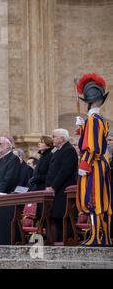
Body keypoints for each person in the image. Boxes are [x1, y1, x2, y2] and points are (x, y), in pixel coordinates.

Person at [75, 73, 111, 246]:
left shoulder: (93, 120)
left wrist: (84, 163)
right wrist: (82, 127)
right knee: (100, 199)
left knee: (93, 199)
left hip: (93, 164)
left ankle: (97, 237)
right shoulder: (97, 120)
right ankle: (101, 236)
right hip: (98, 163)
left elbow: (92, 146)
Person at [46, 128, 78, 243]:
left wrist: (53, 186)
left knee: (64, 216)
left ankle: (68, 240)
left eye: (54, 136)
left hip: (63, 190)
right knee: (56, 216)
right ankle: (59, 240)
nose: (52, 138)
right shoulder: (58, 150)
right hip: (56, 191)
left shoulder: (69, 150)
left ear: (62, 138)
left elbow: (64, 171)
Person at [0, 136, 20, 245]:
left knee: (3, 226)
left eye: (0, 144)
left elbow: (9, 178)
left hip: (5, 197)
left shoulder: (13, 159)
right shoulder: (0, 159)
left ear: (8, 146)